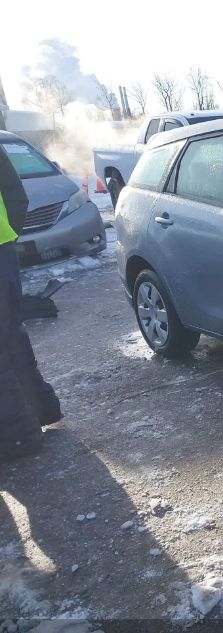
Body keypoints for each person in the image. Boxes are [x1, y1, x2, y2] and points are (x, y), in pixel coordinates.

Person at [0, 143, 61, 462]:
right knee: (12, 337)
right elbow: (15, 196)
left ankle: (18, 436)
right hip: (3, 251)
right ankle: (41, 410)